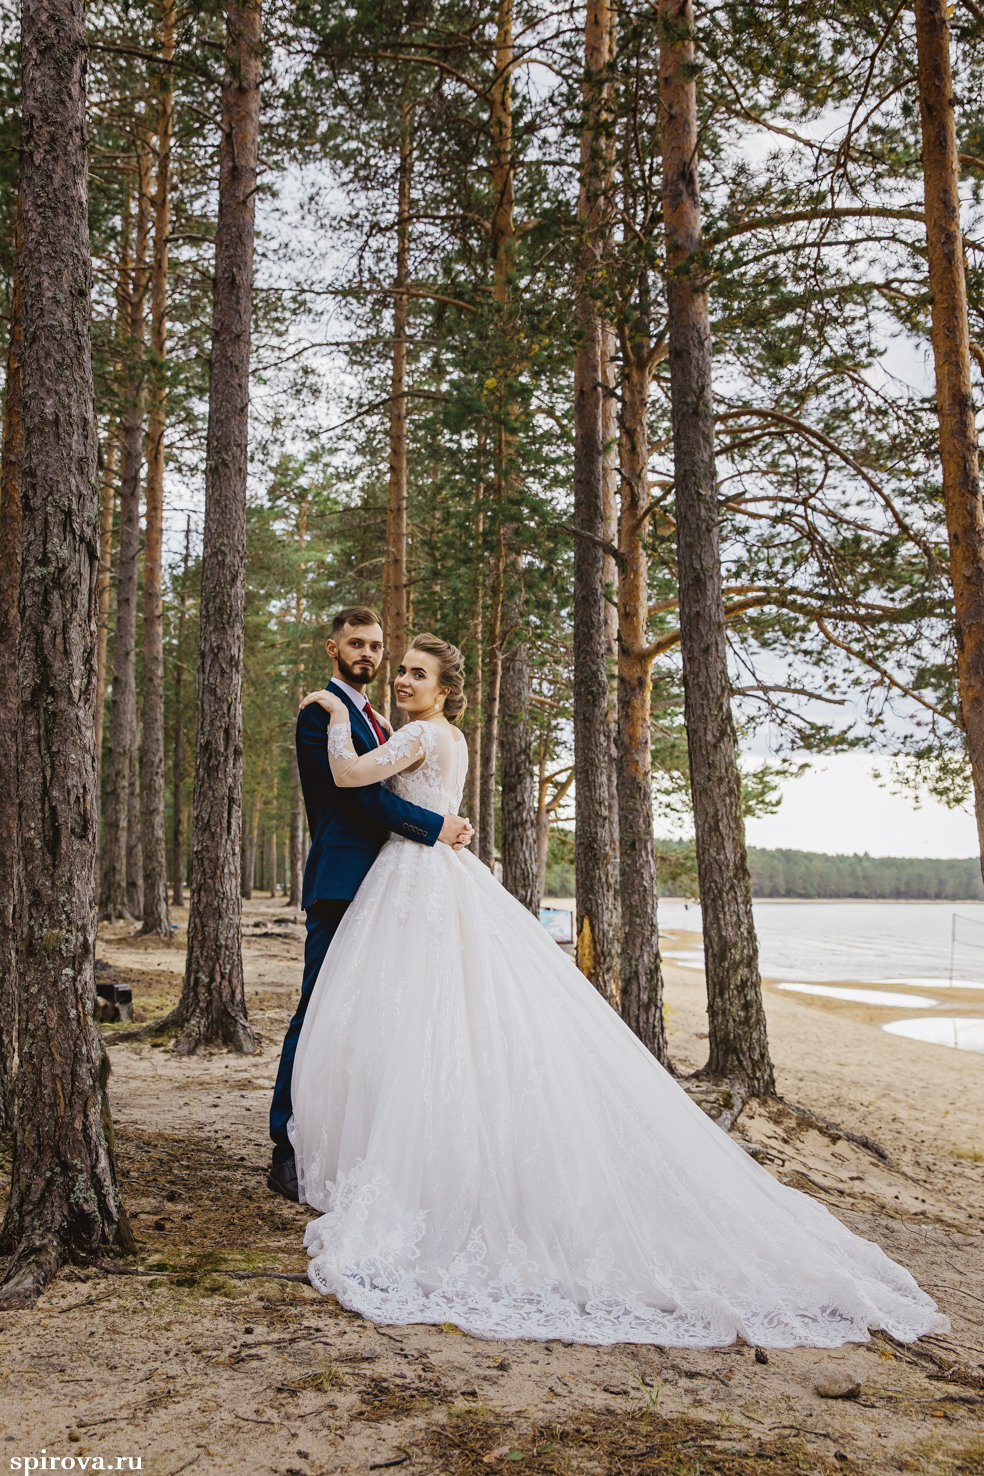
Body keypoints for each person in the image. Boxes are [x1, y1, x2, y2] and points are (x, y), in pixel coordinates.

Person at [288, 632, 946, 1348]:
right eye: (403, 670)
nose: (404, 680)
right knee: (438, 1019)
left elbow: (350, 776)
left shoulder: (418, 731)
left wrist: (329, 707)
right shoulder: (453, 737)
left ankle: (417, 1174)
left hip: (415, 880)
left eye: (418, 672)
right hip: (434, 878)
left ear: (445, 688)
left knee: (420, 1018)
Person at [267, 608, 473, 1202]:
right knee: (317, 1010)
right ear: (332, 648)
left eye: (378, 646)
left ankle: (360, 1139)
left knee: (376, 1017)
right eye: (357, 644)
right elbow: (353, 800)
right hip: (344, 877)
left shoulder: (383, 720)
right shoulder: (319, 713)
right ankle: (286, 1146)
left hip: (395, 883)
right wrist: (436, 825)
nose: (371, 655)